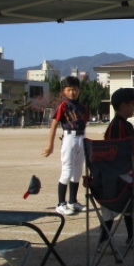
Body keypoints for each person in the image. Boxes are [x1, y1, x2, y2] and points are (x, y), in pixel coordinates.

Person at [98, 88, 134, 249]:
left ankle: (129, 236)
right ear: (123, 105)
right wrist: (133, 167)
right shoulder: (118, 126)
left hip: (119, 174)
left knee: (125, 205)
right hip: (117, 175)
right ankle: (110, 240)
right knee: (127, 200)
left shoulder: (124, 124)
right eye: (133, 104)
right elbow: (117, 154)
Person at [42, 76, 89, 216]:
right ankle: (61, 204)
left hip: (81, 138)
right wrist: (50, 145)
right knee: (67, 171)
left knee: (77, 172)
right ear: (64, 91)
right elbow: (54, 125)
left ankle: (72, 201)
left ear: (79, 90)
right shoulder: (63, 106)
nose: (72, 92)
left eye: (75, 90)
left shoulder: (83, 108)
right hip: (69, 138)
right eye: (69, 90)